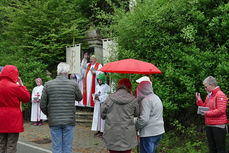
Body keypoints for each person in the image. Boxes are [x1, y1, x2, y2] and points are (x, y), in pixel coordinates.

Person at [40, 62, 83, 153]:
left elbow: (42, 105)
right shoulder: (73, 84)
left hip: (54, 120)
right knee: (67, 148)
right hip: (69, 120)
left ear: (57, 71)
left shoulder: (48, 84)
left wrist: (49, 114)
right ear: (67, 73)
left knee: (56, 148)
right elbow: (79, 97)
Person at [101, 78, 139, 153]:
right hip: (127, 137)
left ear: (118, 86)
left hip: (112, 135)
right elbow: (137, 114)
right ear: (129, 87)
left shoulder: (110, 98)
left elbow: (102, 115)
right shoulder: (133, 100)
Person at [0, 65, 31, 153]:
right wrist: (22, 85)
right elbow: (26, 98)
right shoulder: (15, 87)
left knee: (1, 143)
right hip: (13, 119)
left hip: (0, 118)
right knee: (11, 144)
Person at [196, 76, 228, 153]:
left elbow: (221, 110)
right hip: (209, 125)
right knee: (212, 148)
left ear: (212, 85)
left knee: (220, 149)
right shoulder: (209, 95)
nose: (205, 88)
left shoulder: (220, 95)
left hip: (218, 126)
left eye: (206, 86)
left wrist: (207, 113)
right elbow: (205, 108)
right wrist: (199, 100)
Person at [135, 80, 165, 153]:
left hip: (149, 133)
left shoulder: (146, 101)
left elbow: (143, 120)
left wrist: (135, 127)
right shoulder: (156, 97)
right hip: (159, 131)